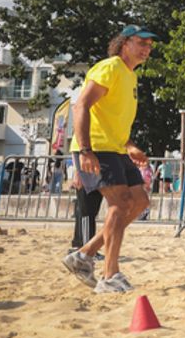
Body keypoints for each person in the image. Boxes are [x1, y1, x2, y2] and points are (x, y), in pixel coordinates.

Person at [61, 25, 157, 293]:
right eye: (141, 43)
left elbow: (111, 117)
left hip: (116, 148)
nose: (146, 49)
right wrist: (86, 149)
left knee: (139, 202)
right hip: (97, 147)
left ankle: (84, 254)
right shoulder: (110, 67)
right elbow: (82, 105)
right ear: (124, 44)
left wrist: (130, 145)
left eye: (150, 45)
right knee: (120, 203)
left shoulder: (130, 76)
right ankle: (109, 275)